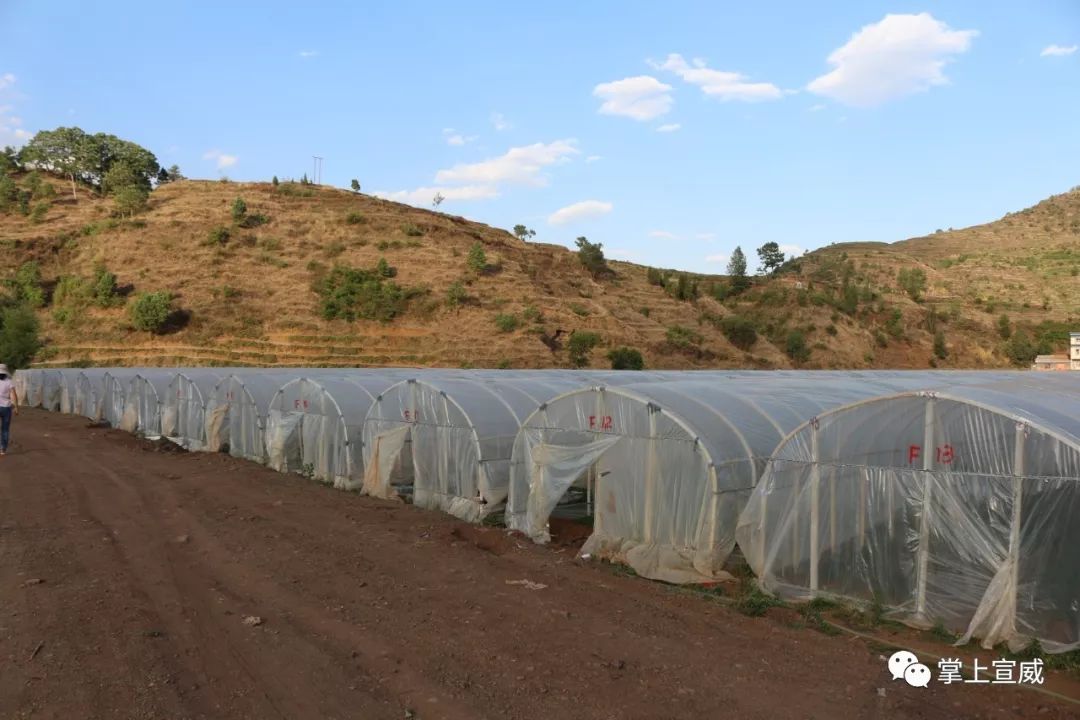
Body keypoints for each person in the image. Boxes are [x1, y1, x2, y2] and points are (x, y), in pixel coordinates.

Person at [0, 364, 18, 456]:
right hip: (6, 408)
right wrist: (16, 407)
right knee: (5, 429)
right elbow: (13, 395)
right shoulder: (9, 382)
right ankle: (2, 449)